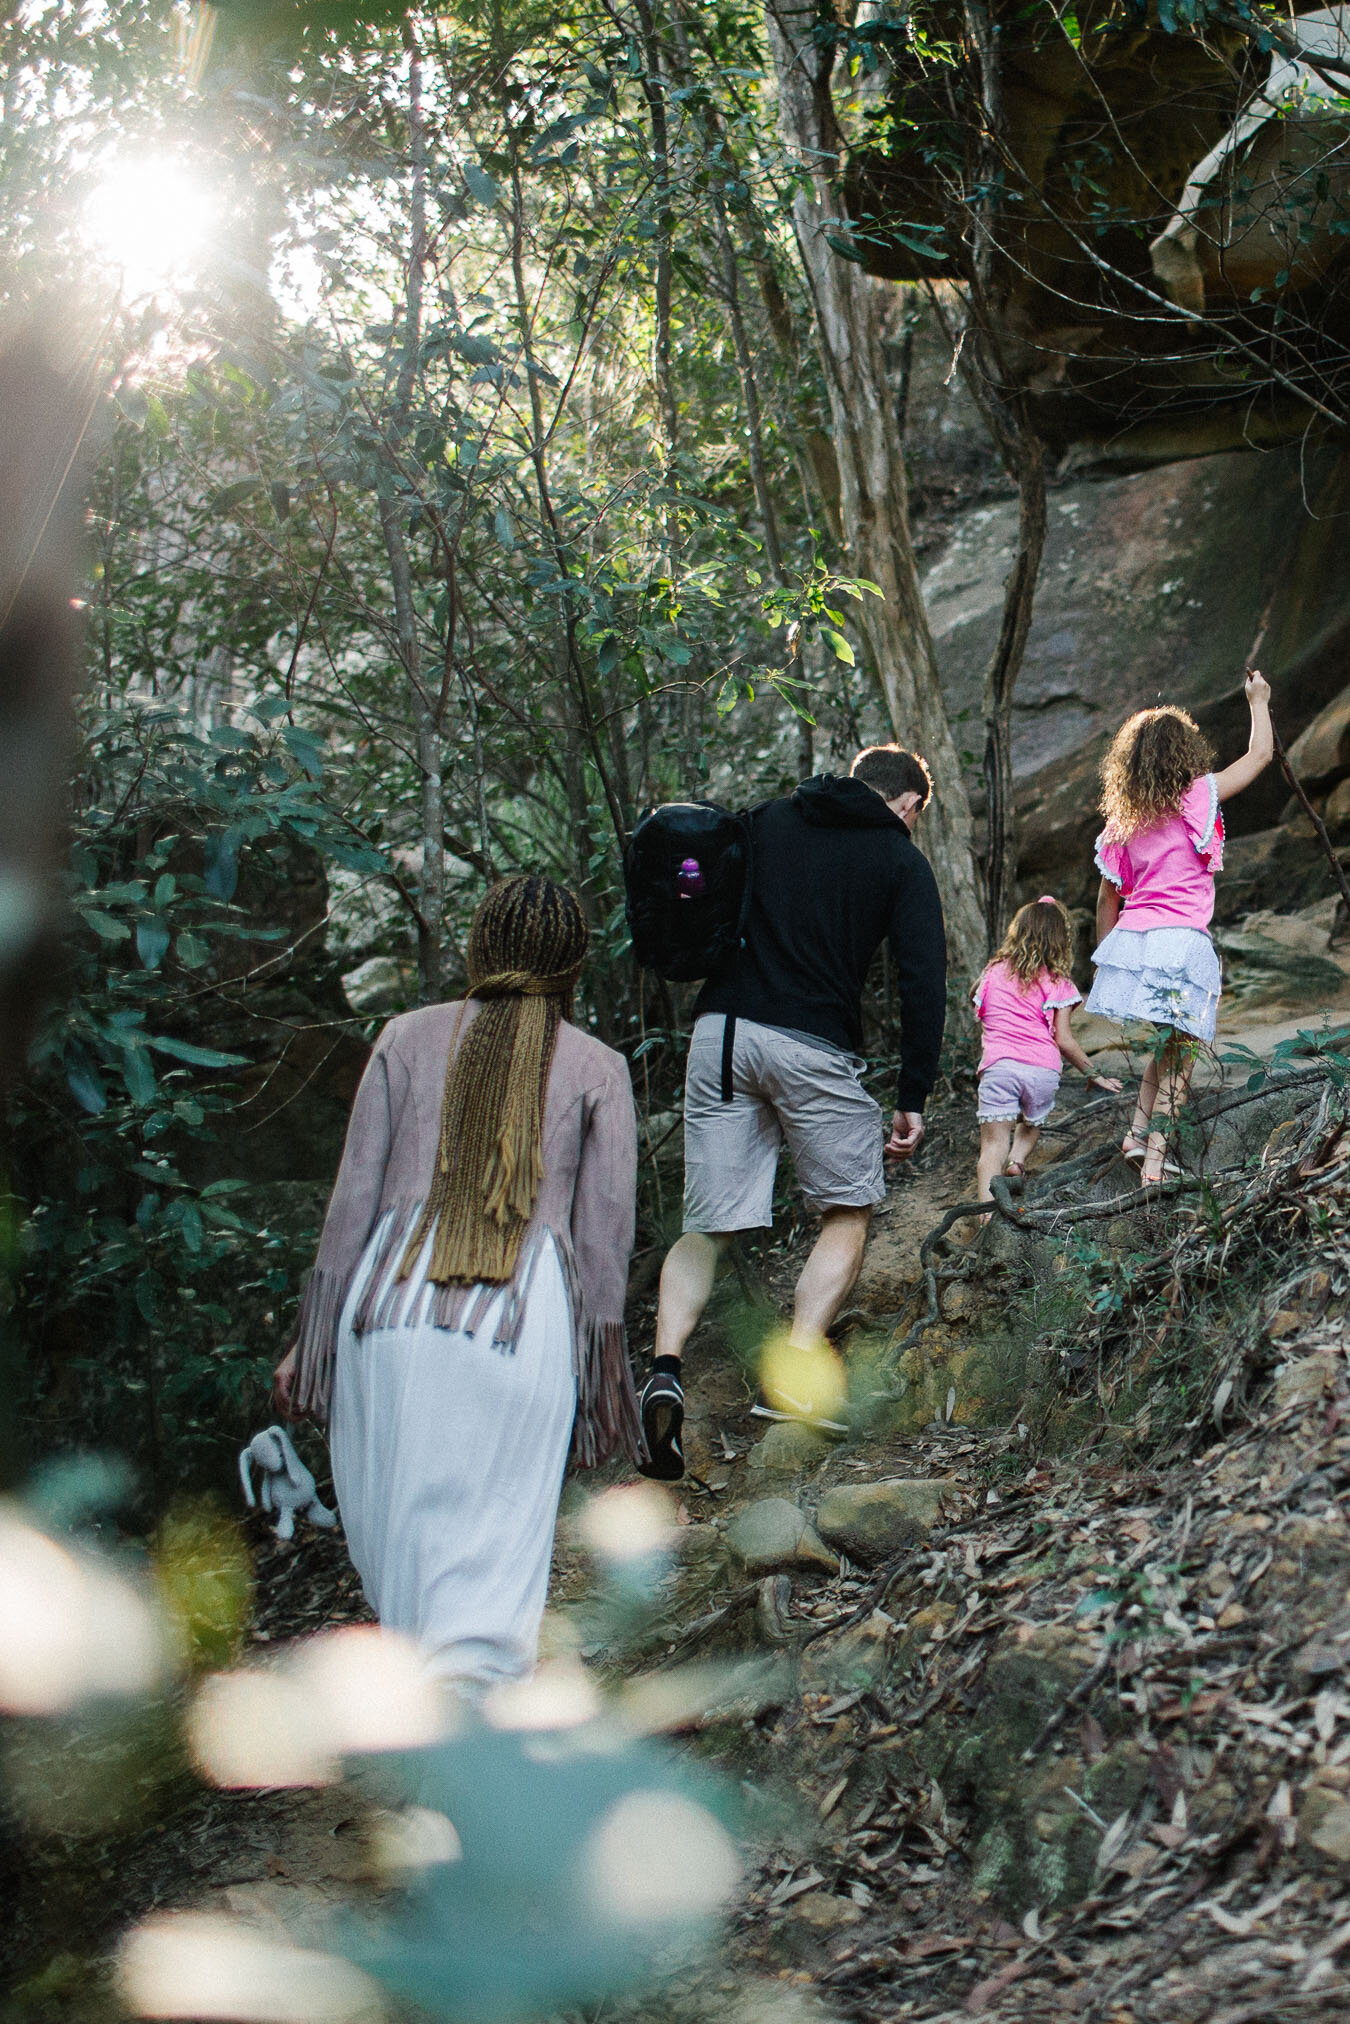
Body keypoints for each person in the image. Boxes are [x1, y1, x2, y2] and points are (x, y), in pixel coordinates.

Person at [272, 875, 640, 1690]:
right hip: (518, 1321)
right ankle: (472, 1758)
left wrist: (313, 1341)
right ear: (574, 964)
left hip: (387, 1316)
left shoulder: (402, 1038)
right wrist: (602, 1379)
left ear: (480, 946)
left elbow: (351, 1203)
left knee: (401, 1561)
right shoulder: (598, 1067)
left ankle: (432, 1742)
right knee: (493, 1570)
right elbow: (604, 1244)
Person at [638, 745, 947, 1481]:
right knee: (847, 1208)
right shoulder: (899, 861)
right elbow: (921, 980)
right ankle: (800, 1362)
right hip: (812, 1040)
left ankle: (666, 1367)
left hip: (722, 1035)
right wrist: (912, 1093)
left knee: (705, 1227)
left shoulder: (768, 818)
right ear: (907, 804)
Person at [1087, 671, 1274, 1187]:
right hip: (1180, 943)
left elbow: (1108, 898)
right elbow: (1259, 757)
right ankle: (1156, 1163)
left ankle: (1136, 1135)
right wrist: (1259, 701)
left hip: (1136, 940)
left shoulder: (1121, 823)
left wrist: (1112, 959)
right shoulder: (1198, 794)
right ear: (1184, 753)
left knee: (1169, 1045)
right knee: (1183, 1058)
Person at [971, 895, 1122, 1202]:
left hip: (1000, 1066)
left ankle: (986, 1215)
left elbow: (975, 995)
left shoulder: (993, 971)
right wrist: (1093, 1073)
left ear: (1018, 932)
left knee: (991, 1147)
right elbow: (1063, 1039)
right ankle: (1018, 1161)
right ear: (1059, 940)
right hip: (1042, 1070)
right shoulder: (1059, 982)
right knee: (1030, 1122)